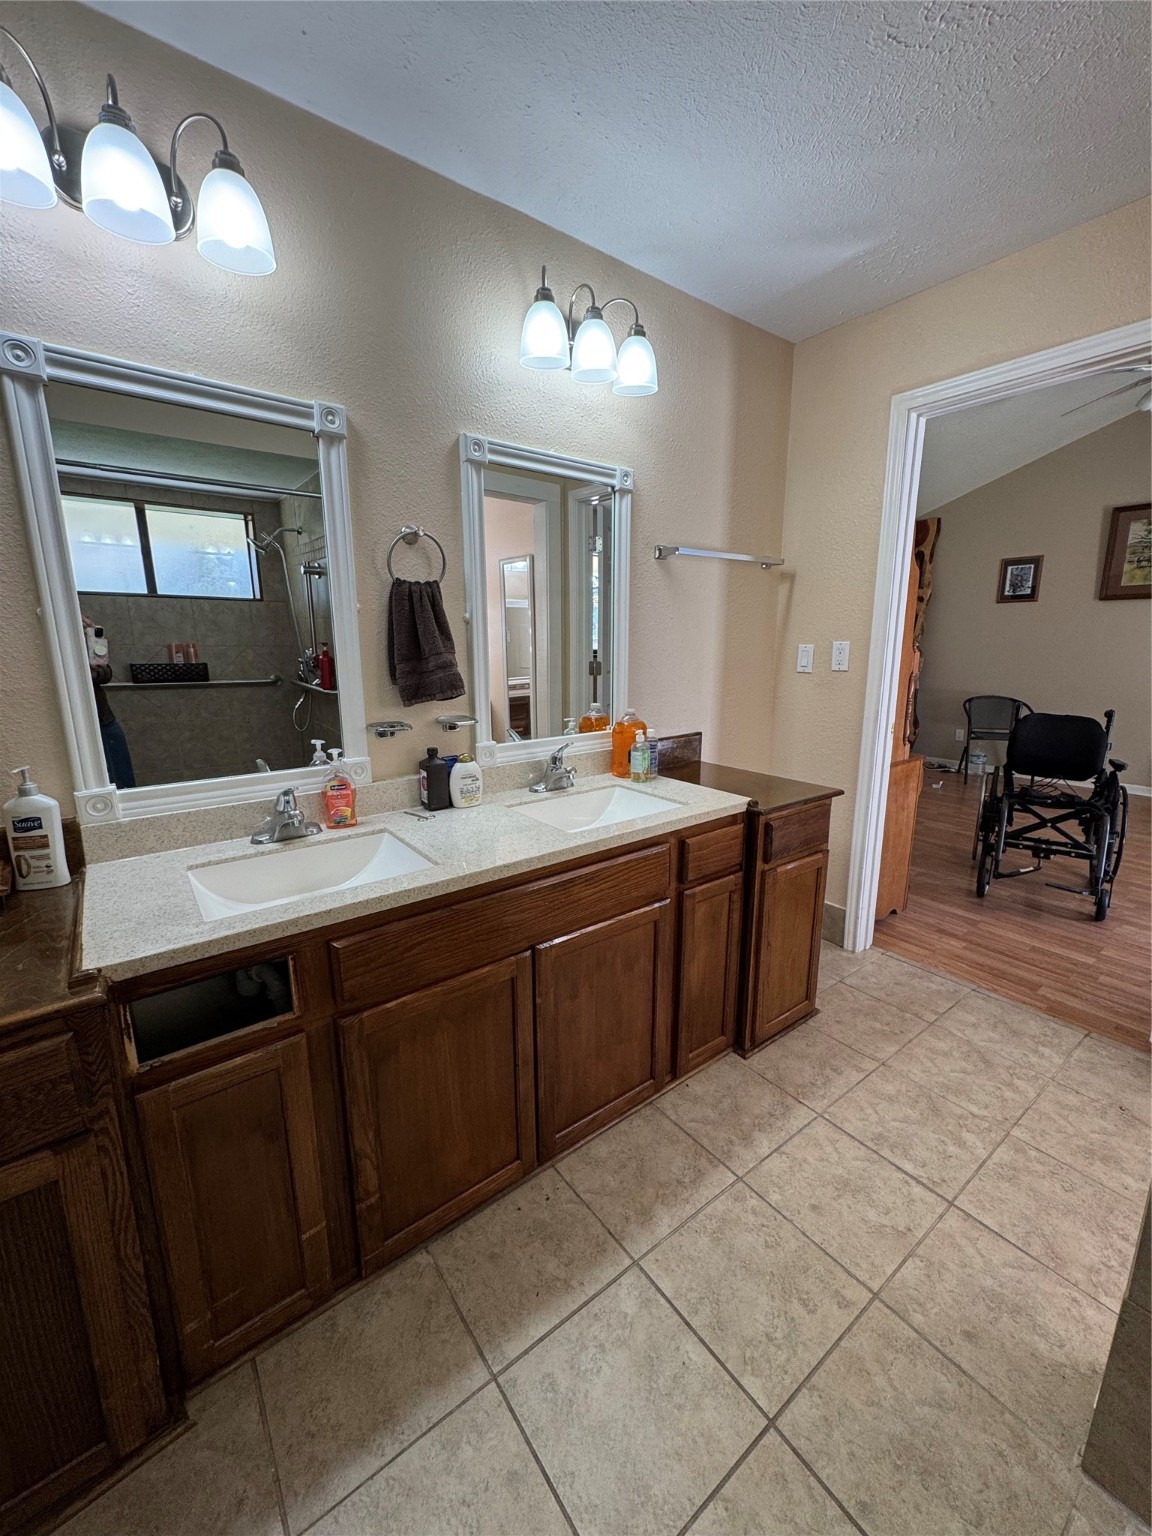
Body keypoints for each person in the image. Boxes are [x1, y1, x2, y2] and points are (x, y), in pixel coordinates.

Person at [83, 614, 136, 789]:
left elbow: (106, 673)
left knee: (123, 780)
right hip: (83, 721)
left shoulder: (82, 635)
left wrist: (94, 671)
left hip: (104, 717)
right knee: (107, 784)